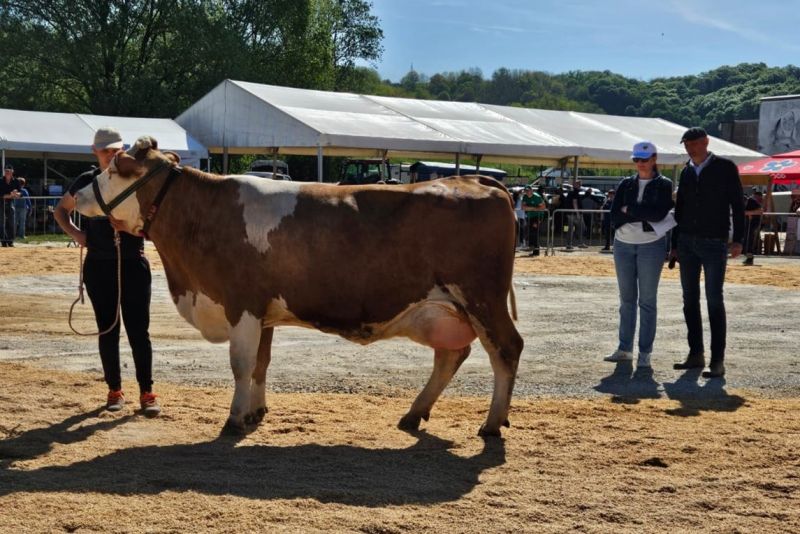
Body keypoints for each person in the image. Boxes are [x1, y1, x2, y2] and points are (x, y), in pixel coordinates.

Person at [54, 127, 160, 415]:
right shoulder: (86, 181)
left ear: (122, 148)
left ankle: (147, 393)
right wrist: (78, 235)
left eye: (116, 149)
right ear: (95, 151)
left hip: (133, 261)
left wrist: (129, 228)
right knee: (108, 329)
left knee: (139, 331)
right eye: (106, 150)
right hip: (99, 264)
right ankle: (115, 391)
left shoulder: (136, 180)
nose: (112, 154)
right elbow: (60, 210)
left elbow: (154, 224)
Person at [671, 127, 745, 378]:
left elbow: (738, 205)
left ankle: (717, 360)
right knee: (689, 300)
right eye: (686, 144)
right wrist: (674, 244)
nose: (690, 148)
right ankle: (696, 354)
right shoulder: (687, 171)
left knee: (714, 299)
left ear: (705, 142)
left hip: (714, 241)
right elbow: (679, 209)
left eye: (693, 143)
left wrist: (739, 240)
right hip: (687, 241)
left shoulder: (725, 167)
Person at [604, 142, 674, 368]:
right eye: (636, 159)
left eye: (644, 159)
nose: (640, 163)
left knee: (647, 301)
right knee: (626, 300)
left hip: (651, 244)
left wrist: (630, 210)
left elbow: (658, 214)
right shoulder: (626, 183)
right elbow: (614, 214)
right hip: (623, 243)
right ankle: (625, 348)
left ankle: (645, 352)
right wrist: (639, 214)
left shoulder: (664, 184)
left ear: (654, 158)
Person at [521, 185, 547, 256]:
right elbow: (523, 207)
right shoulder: (525, 197)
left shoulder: (537, 197)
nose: (527, 192)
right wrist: (534, 208)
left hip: (538, 216)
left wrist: (530, 208)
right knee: (530, 232)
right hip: (530, 216)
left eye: (529, 190)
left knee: (534, 232)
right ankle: (533, 248)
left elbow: (543, 207)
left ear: (532, 190)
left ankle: (536, 250)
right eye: (526, 191)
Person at [1, 164, 22, 247]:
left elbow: (21, 193)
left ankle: (10, 241)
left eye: (9, 171)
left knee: (11, 222)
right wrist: (10, 195)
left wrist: (17, 194)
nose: (7, 172)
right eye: (6, 171)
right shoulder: (0, 181)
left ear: (12, 172)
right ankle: (3, 241)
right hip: (1, 203)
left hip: (11, 203)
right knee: (1, 223)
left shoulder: (16, 181)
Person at [742, 189, 763, 266]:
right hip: (746, 223)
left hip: (752, 224)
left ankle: (750, 258)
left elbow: (760, 211)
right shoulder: (742, 201)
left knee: (749, 240)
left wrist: (747, 213)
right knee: (745, 240)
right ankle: (748, 258)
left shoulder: (751, 201)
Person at [566, 180, 587, 249]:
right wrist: (577, 213)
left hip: (572, 213)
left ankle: (573, 243)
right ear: (575, 185)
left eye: (580, 184)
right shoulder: (574, 192)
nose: (580, 185)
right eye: (579, 184)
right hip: (574, 214)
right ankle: (573, 244)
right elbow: (574, 203)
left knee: (575, 228)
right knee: (580, 228)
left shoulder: (572, 192)